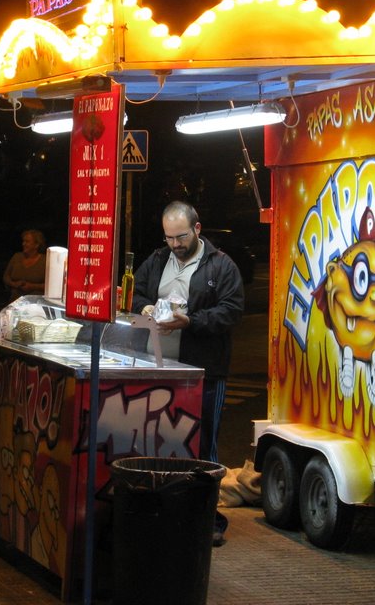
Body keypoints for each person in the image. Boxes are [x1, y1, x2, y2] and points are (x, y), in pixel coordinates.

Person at [132, 201, 244, 546]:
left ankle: (209, 521)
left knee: (203, 446)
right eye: (169, 238)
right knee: (160, 444)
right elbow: (134, 293)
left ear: (197, 229)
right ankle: (164, 512)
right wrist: (145, 308)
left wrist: (191, 322)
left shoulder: (221, 266)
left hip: (203, 373)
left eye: (181, 237)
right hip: (160, 371)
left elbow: (231, 311)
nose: (175, 245)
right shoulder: (157, 260)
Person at [3, 228, 47, 301]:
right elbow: (6, 277)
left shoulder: (45, 260)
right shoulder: (17, 257)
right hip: (15, 301)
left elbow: (51, 285)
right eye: (23, 241)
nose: (23, 244)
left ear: (36, 245)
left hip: (36, 303)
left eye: (27, 242)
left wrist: (33, 286)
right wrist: (14, 284)